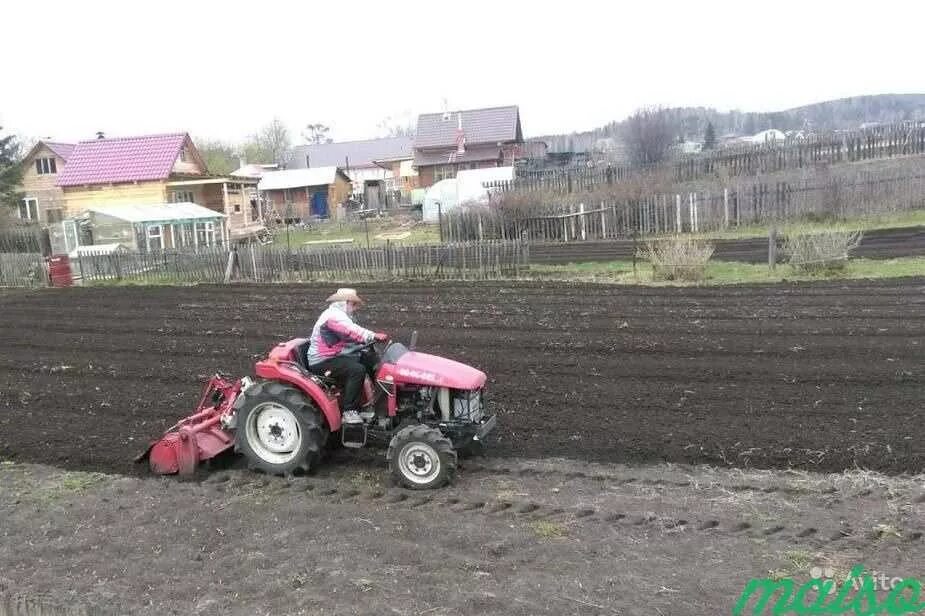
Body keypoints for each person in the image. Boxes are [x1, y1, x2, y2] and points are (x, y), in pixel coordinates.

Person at [305, 288, 389, 425]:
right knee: (356, 370)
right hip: (322, 360)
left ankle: (380, 401)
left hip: (336, 355)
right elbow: (351, 331)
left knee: (370, 358)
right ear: (344, 303)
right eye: (353, 304)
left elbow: (349, 336)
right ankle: (349, 411)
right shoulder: (333, 316)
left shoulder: (341, 315)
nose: (354, 308)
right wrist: (372, 335)